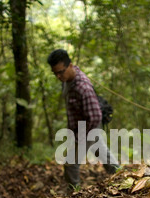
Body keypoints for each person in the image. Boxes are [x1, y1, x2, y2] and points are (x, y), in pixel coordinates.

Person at [47, 49, 119, 190]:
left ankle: (73, 195)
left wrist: (81, 136)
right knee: (104, 155)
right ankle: (122, 175)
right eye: (55, 73)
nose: (58, 76)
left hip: (88, 129)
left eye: (61, 72)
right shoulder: (68, 80)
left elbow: (96, 116)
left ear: (70, 66)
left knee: (70, 163)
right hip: (80, 128)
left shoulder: (83, 87)